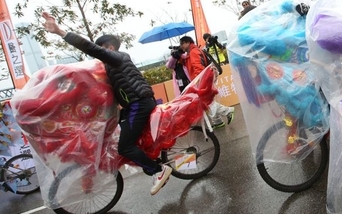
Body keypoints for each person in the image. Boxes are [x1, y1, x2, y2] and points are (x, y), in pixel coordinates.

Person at [41, 12, 172, 195]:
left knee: (124, 147)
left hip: (138, 104)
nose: (99, 54)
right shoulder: (111, 66)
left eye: (101, 49)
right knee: (118, 134)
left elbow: (91, 49)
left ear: (110, 48)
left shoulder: (118, 57)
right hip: (134, 105)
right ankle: (150, 160)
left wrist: (60, 32)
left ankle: (158, 170)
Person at [178, 36, 235, 128]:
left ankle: (228, 111)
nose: (181, 46)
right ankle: (217, 121)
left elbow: (198, 68)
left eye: (182, 44)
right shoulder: (193, 51)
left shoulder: (193, 52)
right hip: (204, 79)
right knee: (209, 100)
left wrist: (198, 83)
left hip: (201, 80)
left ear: (188, 42)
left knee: (207, 102)